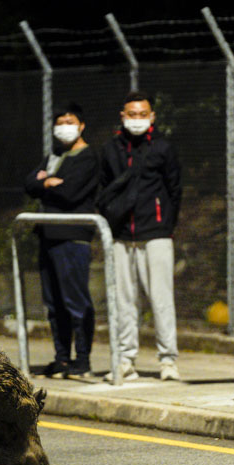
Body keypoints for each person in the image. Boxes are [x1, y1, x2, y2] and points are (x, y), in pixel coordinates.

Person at [97, 90, 182, 381]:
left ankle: (168, 360)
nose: (137, 119)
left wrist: (165, 224)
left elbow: (174, 189)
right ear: (123, 116)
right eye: (131, 114)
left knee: (161, 299)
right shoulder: (111, 149)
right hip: (122, 235)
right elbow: (105, 189)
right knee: (124, 301)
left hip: (156, 234)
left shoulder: (162, 148)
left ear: (152, 117)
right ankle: (125, 360)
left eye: (142, 114)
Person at [23, 103, 99, 379]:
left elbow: (71, 192)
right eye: (60, 122)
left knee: (75, 300)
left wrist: (48, 183)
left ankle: (83, 359)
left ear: (81, 125)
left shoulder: (89, 157)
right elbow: (29, 183)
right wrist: (47, 182)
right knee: (53, 303)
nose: (64, 126)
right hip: (48, 234)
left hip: (72, 236)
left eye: (70, 121)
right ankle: (62, 358)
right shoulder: (54, 155)